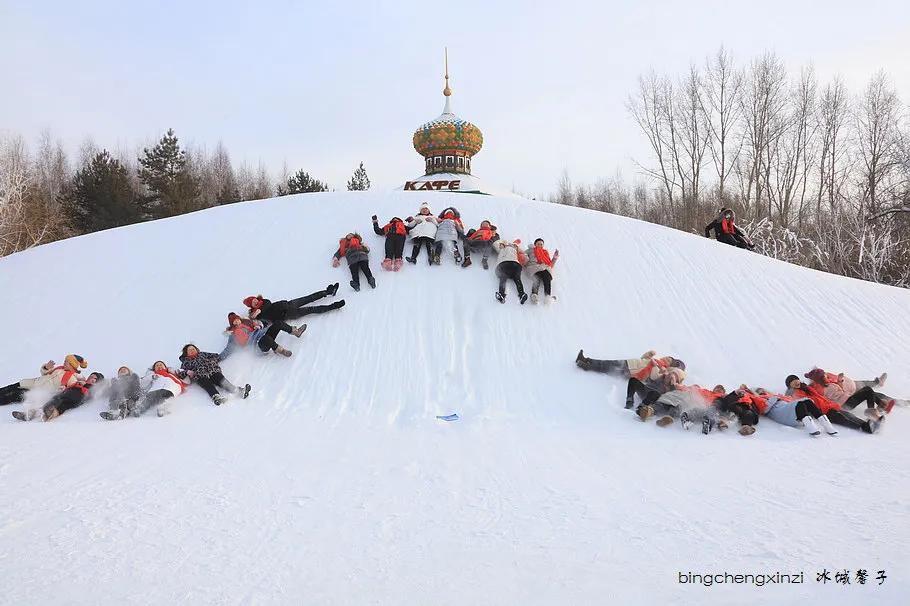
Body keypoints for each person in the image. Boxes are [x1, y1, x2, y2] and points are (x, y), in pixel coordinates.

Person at [786, 374, 879, 434]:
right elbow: (808, 401)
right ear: (790, 386)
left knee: (849, 416)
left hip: (830, 406)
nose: (795, 382)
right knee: (844, 419)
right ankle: (866, 427)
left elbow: (819, 397)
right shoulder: (796, 393)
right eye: (792, 382)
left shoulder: (806, 388)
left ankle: (868, 424)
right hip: (824, 412)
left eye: (796, 380)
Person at [804, 368, 895, 420]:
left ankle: (880, 407)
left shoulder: (827, 382)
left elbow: (839, 390)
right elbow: (836, 396)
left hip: (846, 397)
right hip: (844, 404)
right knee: (867, 390)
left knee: (868, 390)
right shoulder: (822, 389)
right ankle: (873, 412)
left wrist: (840, 381)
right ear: (820, 378)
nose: (826, 375)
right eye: (824, 375)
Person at [13, 372, 104, 422]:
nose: (91, 378)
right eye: (91, 376)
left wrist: (86, 385)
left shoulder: (94, 387)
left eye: (94, 378)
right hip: (72, 396)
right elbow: (70, 387)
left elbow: (91, 394)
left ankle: (40, 412)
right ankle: (49, 413)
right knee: (62, 405)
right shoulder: (80, 382)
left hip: (78, 396)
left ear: (97, 381)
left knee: (57, 399)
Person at [1, 354, 88, 406]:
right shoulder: (59, 369)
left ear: (72, 365)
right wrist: (46, 367)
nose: (64, 362)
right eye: (65, 360)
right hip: (33, 382)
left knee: (13, 396)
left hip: (37, 391)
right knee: (10, 388)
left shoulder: (71, 378)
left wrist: (81, 383)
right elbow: (44, 373)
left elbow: (72, 389)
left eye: (66, 361)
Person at [179, 344, 250, 406]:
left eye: (193, 349)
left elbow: (216, 356)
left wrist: (212, 361)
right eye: (189, 350)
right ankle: (216, 397)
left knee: (221, 380)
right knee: (207, 385)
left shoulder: (203, 354)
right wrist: (187, 372)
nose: (192, 350)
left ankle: (239, 391)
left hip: (213, 371)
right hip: (200, 375)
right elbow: (181, 374)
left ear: (197, 350)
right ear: (186, 353)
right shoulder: (186, 362)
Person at [752, 387, 838, 437]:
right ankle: (811, 427)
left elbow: (789, 400)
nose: (762, 392)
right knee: (800, 404)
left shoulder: (774, 396)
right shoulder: (760, 399)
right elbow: (764, 410)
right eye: (760, 391)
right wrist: (775, 398)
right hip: (781, 413)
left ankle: (827, 425)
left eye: (763, 390)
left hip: (787, 409)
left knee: (807, 402)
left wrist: (777, 397)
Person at [244, 285, 342, 329]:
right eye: (253, 303)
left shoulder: (264, 302)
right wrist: (254, 316)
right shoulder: (257, 316)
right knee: (311, 309)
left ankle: (328, 292)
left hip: (288, 304)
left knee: (309, 298)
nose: (255, 302)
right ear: (251, 306)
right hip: (288, 314)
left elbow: (267, 305)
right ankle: (333, 306)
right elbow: (261, 322)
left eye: (255, 299)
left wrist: (259, 310)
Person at [575, 349, 684, 384]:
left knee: (606, 368)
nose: (666, 359)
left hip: (630, 371)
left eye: (668, 360)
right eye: (667, 357)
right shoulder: (656, 361)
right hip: (630, 363)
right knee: (606, 363)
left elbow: (652, 376)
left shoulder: (661, 369)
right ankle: (586, 360)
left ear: (669, 365)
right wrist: (648, 355)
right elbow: (643, 359)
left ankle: (586, 366)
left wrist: (654, 366)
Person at [222, 312, 293, 359]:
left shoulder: (248, 322)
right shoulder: (233, 334)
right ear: (232, 324)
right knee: (266, 339)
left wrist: (259, 326)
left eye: (237, 319)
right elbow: (228, 348)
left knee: (278, 323)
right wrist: (218, 358)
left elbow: (262, 323)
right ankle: (281, 350)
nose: (236, 321)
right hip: (257, 346)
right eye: (234, 321)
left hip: (263, 334)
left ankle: (295, 331)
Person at [492, 238, 529, 304]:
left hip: (504, 264)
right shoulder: (513, 249)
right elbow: (525, 256)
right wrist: (515, 246)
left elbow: (495, 243)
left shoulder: (502, 249)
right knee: (517, 278)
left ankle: (501, 294)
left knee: (503, 278)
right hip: (514, 264)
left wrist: (502, 243)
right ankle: (522, 294)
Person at [524, 238, 559, 303]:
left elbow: (550, 265)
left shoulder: (545, 252)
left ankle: (547, 296)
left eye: (541, 244)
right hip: (533, 267)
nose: (540, 245)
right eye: (538, 244)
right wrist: (525, 259)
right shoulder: (530, 250)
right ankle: (534, 294)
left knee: (547, 278)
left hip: (544, 267)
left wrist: (555, 258)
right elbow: (523, 256)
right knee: (537, 278)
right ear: (535, 244)